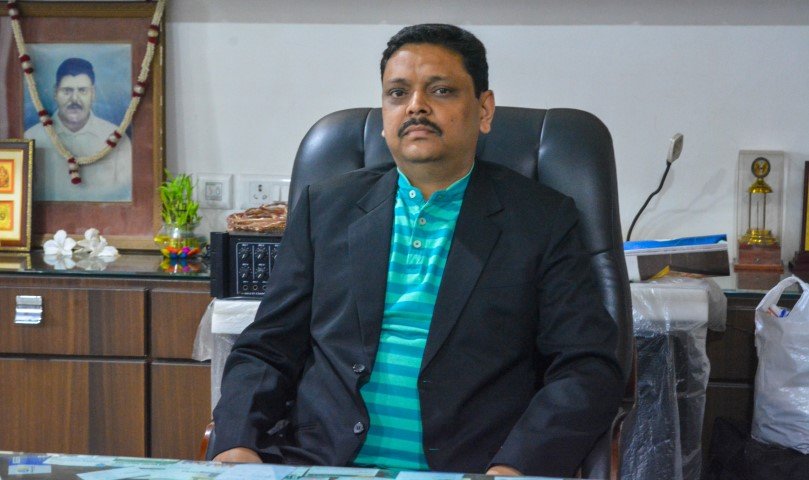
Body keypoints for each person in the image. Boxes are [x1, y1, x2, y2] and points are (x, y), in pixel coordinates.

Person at [212, 24, 623, 477]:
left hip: (475, 469)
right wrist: (237, 444)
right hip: (324, 464)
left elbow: (586, 367)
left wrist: (516, 466)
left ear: (484, 110)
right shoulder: (325, 209)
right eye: (397, 93)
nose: (416, 106)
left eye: (441, 90)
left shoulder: (541, 219)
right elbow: (268, 348)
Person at [25, 57, 132, 202]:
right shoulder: (31, 138)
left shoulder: (118, 140)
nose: (74, 99)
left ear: (93, 93)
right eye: (67, 91)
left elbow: (127, 195)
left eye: (82, 91)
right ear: (55, 92)